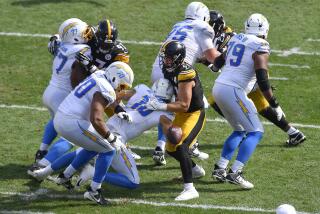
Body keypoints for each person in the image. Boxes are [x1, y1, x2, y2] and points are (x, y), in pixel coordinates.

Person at [30, 79, 206, 190]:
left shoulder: (142, 89)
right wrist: (178, 133)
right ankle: (92, 175)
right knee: (133, 182)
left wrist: (119, 109)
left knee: (82, 152)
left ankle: (46, 172)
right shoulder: (165, 113)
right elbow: (171, 135)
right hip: (117, 140)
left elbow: (116, 95)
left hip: (108, 126)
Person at [206, 10, 306, 147]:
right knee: (262, 105)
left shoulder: (231, 37)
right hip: (249, 75)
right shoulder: (235, 37)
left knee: (215, 99)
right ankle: (294, 132)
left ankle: (243, 131)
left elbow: (220, 58)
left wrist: (213, 65)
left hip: (251, 76)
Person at [211, 13, 285, 189]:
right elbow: (262, 78)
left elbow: (218, 61)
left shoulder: (237, 37)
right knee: (256, 132)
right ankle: (235, 172)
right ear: (265, 29)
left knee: (240, 129)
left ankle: (220, 168)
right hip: (233, 91)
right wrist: (274, 104)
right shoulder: (261, 45)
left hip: (218, 88)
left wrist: (216, 67)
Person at [53, 61, 134, 205]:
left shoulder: (100, 74)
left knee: (95, 146)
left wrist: (117, 109)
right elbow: (96, 119)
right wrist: (112, 138)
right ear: (114, 78)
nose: (121, 89)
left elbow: (99, 95)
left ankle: (65, 176)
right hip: (72, 122)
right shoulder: (106, 88)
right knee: (109, 149)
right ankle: (94, 191)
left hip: (62, 116)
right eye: (121, 85)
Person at [150, 1, 220, 166]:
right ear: (204, 16)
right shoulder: (204, 28)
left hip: (158, 69)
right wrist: (225, 54)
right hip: (176, 71)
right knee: (195, 106)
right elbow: (212, 56)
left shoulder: (179, 25)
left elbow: (191, 49)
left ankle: (162, 146)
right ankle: (187, 144)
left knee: (167, 106)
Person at [145, 40, 206, 201]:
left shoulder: (186, 72)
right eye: (165, 58)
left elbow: (185, 105)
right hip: (181, 112)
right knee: (170, 148)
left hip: (194, 113)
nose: (166, 61)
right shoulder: (169, 69)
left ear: (178, 58)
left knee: (181, 146)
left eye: (170, 58)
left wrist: (162, 105)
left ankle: (190, 188)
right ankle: (195, 170)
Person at [31, 18, 94, 165]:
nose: (88, 34)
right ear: (76, 36)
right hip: (61, 95)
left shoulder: (63, 44)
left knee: (55, 121)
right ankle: (43, 164)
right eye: (84, 32)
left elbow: (59, 38)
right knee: (71, 135)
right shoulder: (83, 49)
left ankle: (42, 151)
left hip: (50, 92)